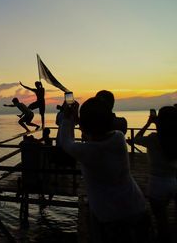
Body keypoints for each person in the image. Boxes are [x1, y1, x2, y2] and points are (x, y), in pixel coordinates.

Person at [57, 97, 149, 243]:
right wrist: (81, 121)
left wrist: (68, 119)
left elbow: (66, 142)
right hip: (137, 207)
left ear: (85, 126)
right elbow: (95, 133)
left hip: (110, 216)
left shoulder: (87, 151)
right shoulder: (118, 138)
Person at [134, 106, 177, 243]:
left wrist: (149, 123)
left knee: (161, 222)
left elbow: (137, 138)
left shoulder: (153, 139)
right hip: (174, 181)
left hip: (157, 184)